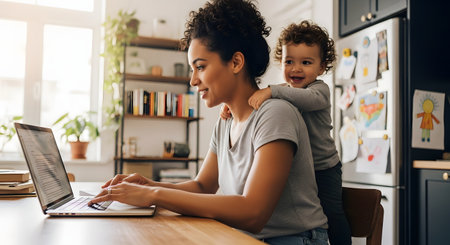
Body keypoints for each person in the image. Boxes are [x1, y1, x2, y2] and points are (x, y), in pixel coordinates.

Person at [89, 1, 328, 243]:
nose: (193, 81)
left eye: (200, 67)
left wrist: (153, 194)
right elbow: (203, 186)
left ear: (236, 62)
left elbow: (253, 213)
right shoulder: (226, 121)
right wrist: (146, 184)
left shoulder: (276, 114)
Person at [221, 20, 352, 245]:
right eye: (289, 61)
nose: (296, 68)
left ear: (321, 67)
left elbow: (307, 100)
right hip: (302, 171)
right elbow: (257, 97)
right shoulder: (282, 91)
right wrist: (234, 104)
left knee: (333, 214)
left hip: (324, 167)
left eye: (306, 62)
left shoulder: (320, 90)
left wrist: (272, 91)